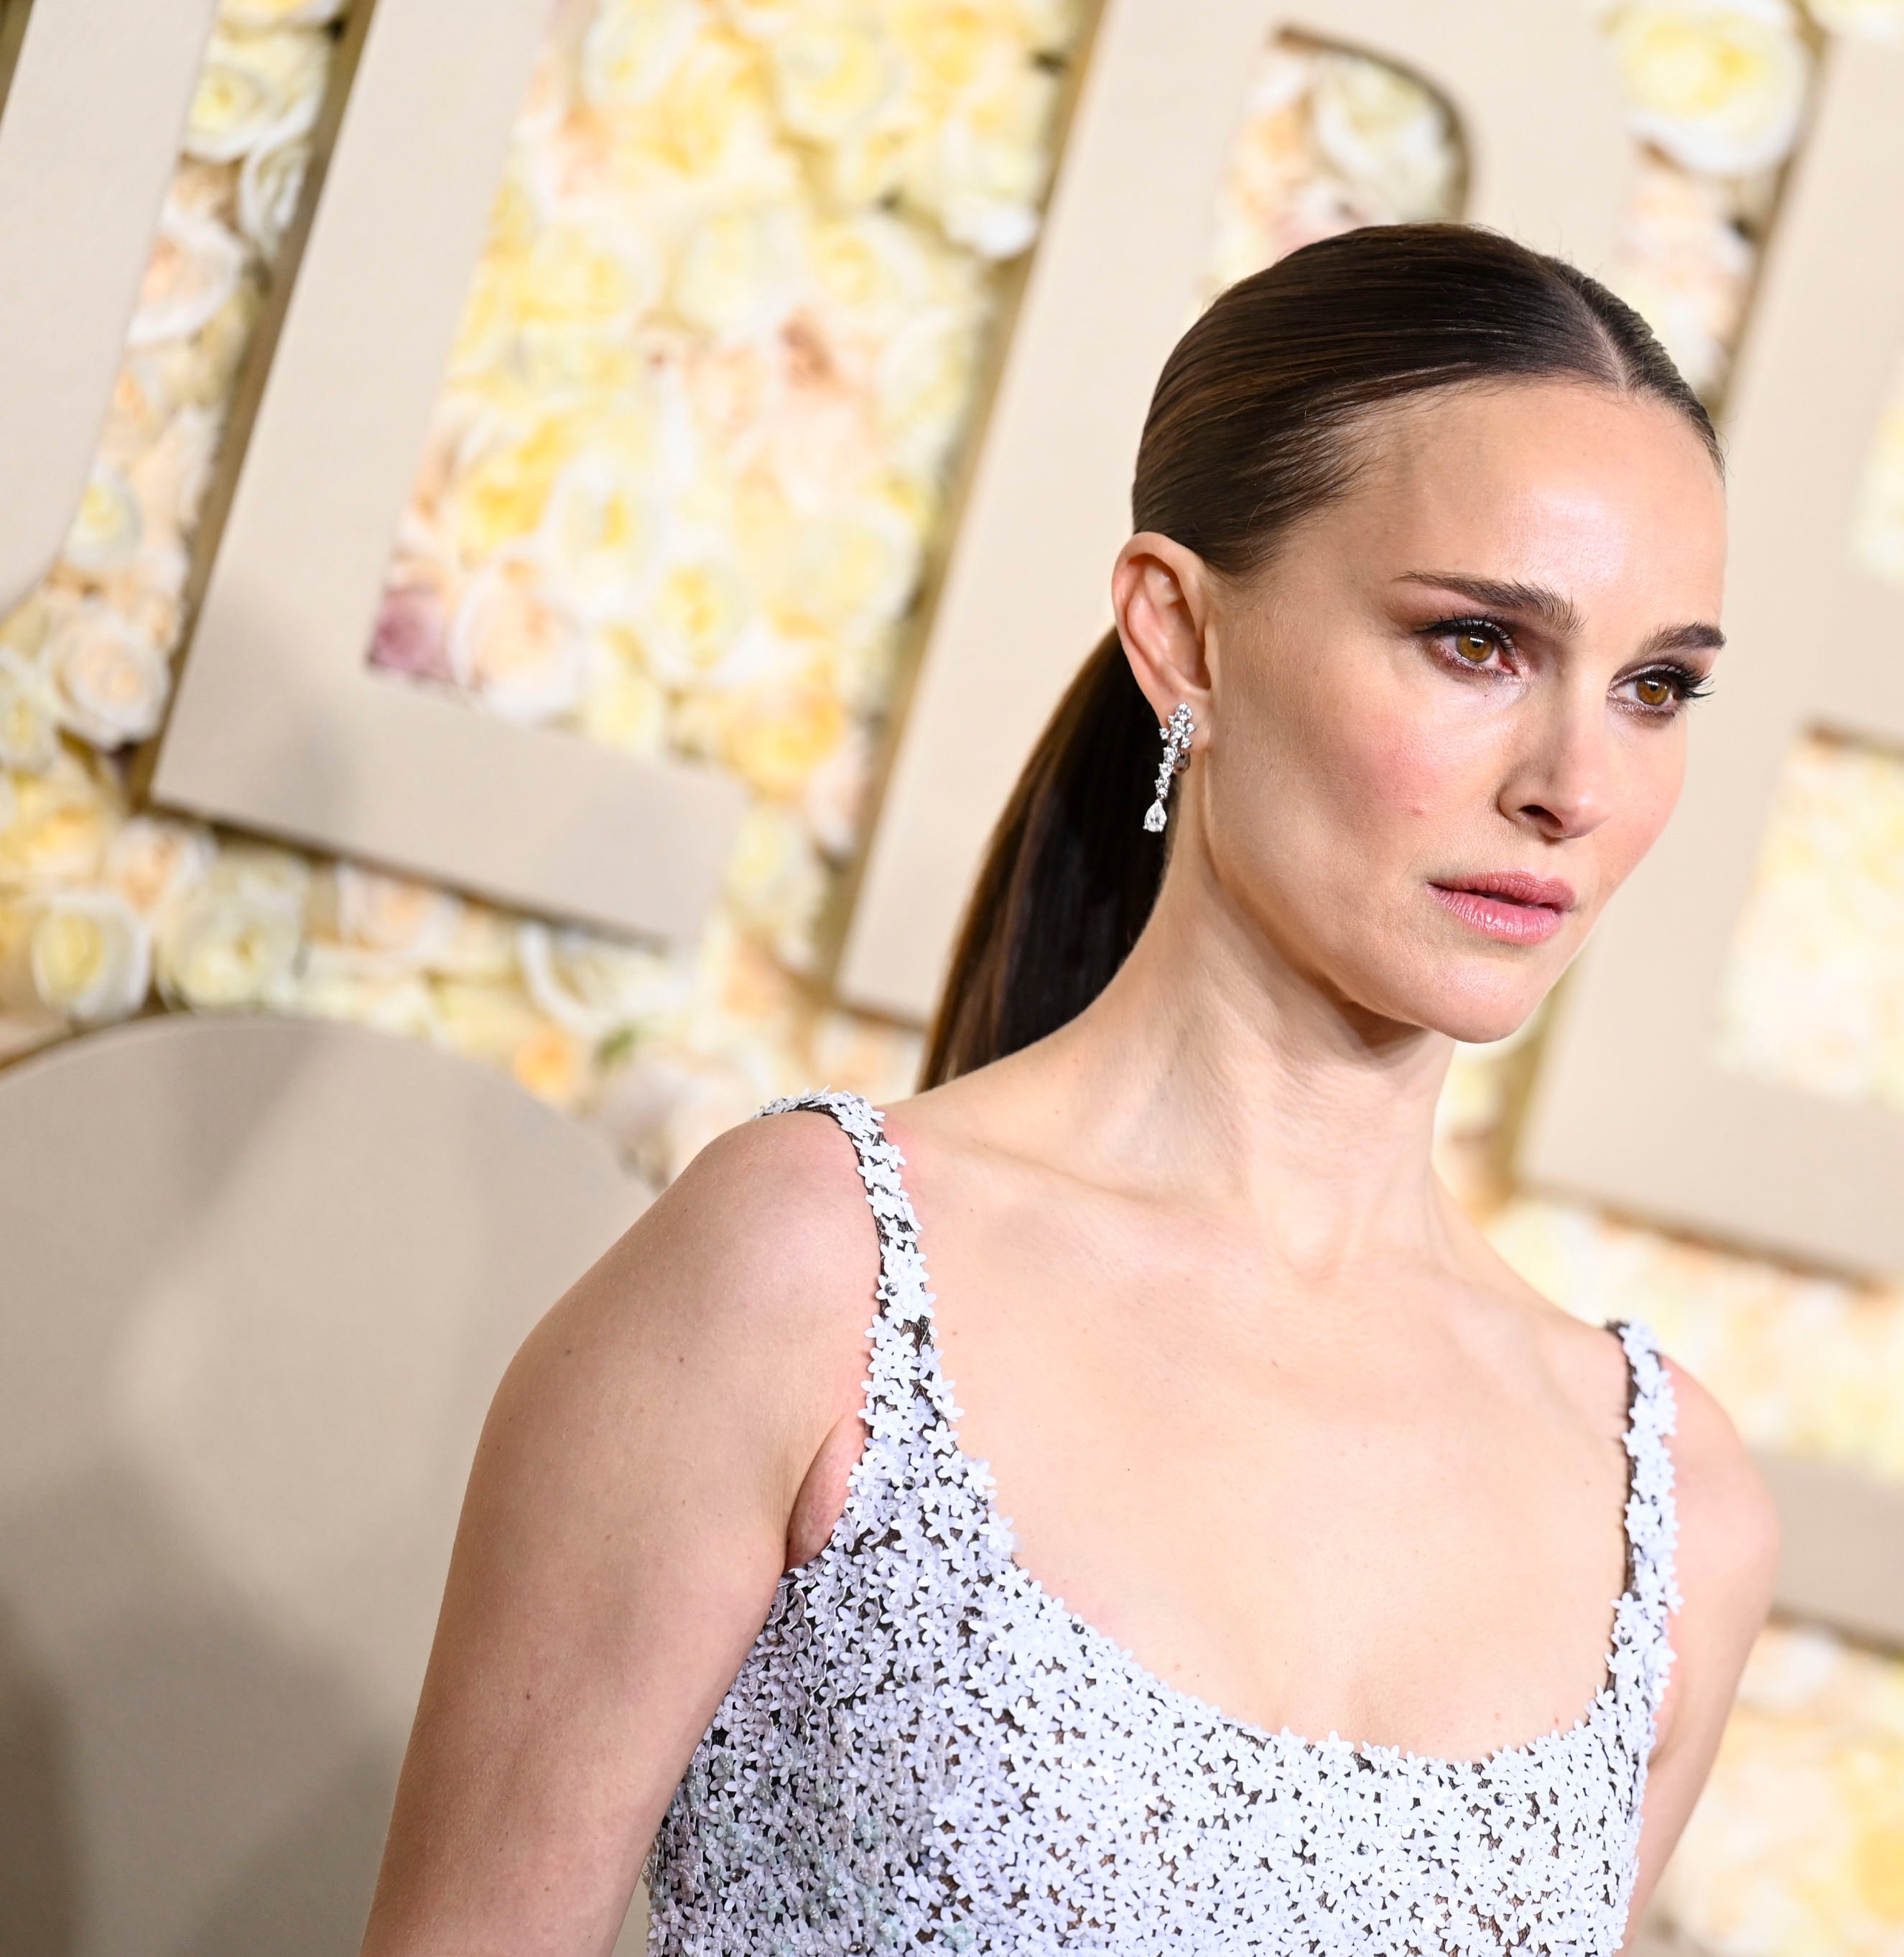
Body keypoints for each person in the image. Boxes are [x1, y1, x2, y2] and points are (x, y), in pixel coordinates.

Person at [362, 221, 1777, 1956]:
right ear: (1178, 633)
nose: (1573, 782)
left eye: (1654, 687)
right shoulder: (812, 1279)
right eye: (1476, 644)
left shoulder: (1671, 1501)